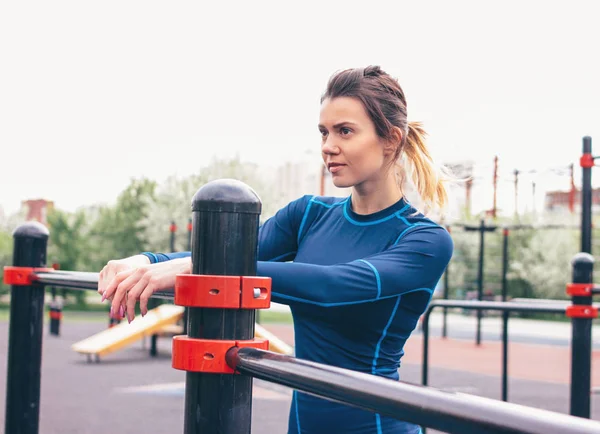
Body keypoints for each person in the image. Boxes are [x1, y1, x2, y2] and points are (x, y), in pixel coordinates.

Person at [98, 65, 454, 434]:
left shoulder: (424, 240)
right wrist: (147, 261)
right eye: (324, 132)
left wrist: (191, 269)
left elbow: (335, 286)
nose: (328, 146)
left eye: (345, 131)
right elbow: (231, 255)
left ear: (390, 140)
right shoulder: (309, 215)